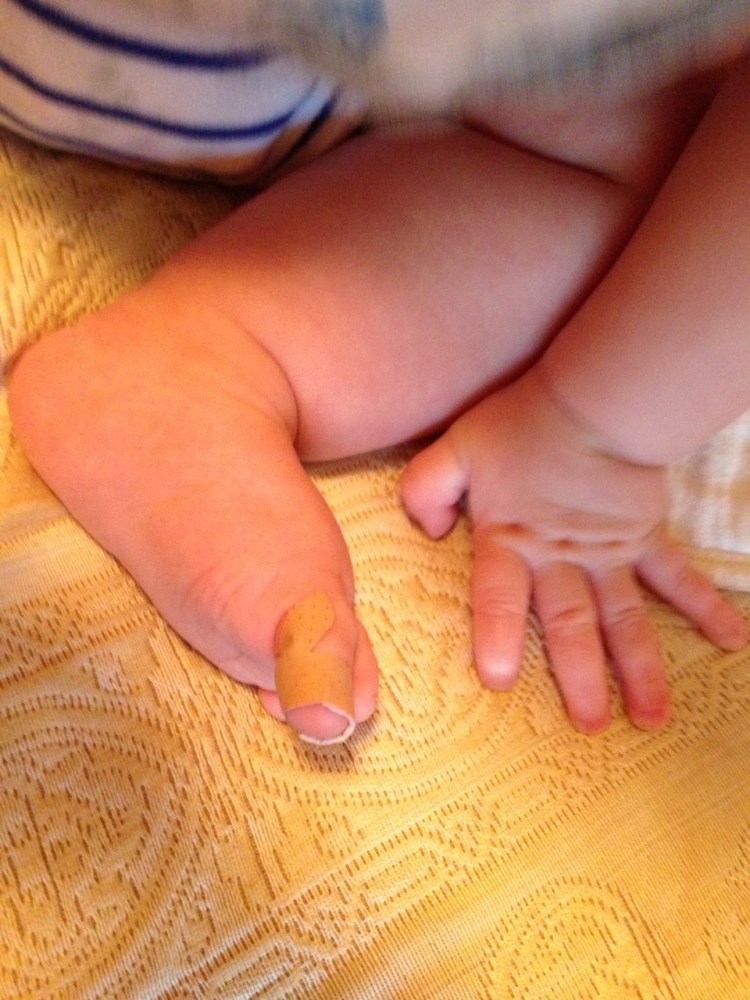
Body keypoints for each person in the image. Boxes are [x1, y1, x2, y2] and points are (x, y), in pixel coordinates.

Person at [4, 1, 750, 743]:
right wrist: (594, 436)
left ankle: (203, 359)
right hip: (297, 71)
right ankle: (222, 344)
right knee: (670, 168)